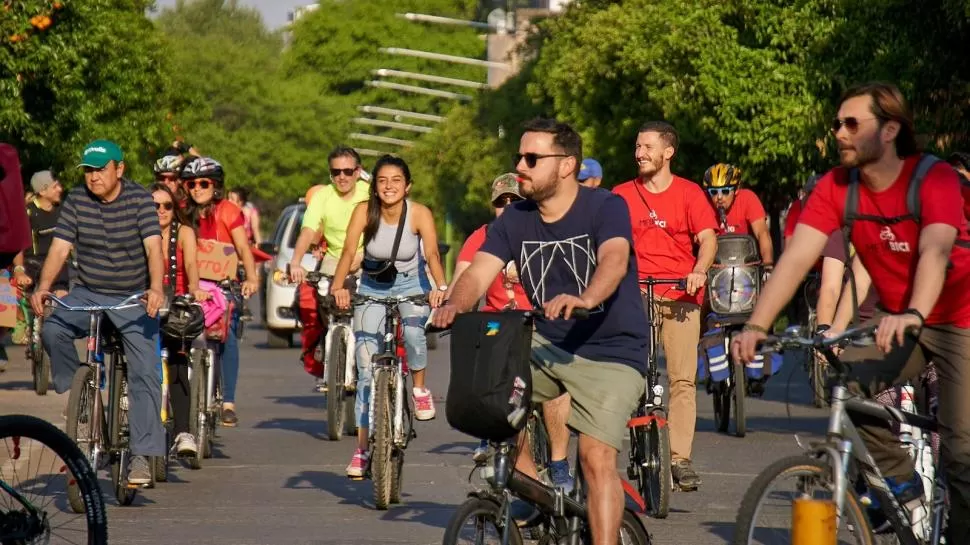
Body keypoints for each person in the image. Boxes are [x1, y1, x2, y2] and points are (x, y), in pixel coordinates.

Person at [733, 82, 970, 543]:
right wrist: (758, 324)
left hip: (958, 317)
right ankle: (905, 490)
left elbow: (936, 250)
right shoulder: (836, 186)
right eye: (837, 123)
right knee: (850, 388)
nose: (839, 132)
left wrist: (915, 312)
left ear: (889, 130)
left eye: (851, 123)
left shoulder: (933, 177)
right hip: (901, 317)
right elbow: (798, 258)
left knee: (961, 454)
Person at [432, 118, 649, 543]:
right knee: (493, 401)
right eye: (518, 157)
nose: (520, 166)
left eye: (531, 158)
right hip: (549, 342)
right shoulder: (516, 218)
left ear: (566, 165)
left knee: (595, 456)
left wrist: (587, 298)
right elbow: (479, 272)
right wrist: (455, 306)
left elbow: (614, 261)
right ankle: (538, 495)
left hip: (612, 350)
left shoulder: (605, 206)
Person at [30, 139, 166, 485]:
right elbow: (60, 248)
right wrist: (44, 287)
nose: (93, 177)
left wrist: (155, 288)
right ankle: (79, 394)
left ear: (119, 169)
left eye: (100, 169)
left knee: (145, 372)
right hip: (88, 293)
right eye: (88, 171)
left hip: (131, 297)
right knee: (52, 328)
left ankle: (141, 456)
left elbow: (154, 248)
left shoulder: (138, 200)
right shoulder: (76, 200)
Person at [611, 121, 718, 491]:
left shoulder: (689, 194)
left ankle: (680, 458)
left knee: (683, 380)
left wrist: (699, 271)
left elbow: (707, 240)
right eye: (637, 146)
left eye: (647, 147)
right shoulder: (622, 194)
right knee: (632, 373)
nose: (639, 153)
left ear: (667, 152)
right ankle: (634, 437)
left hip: (681, 294)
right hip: (637, 292)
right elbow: (607, 242)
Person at [329, 155, 447, 478]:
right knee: (366, 372)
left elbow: (433, 255)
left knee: (412, 333)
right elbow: (349, 251)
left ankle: (420, 390)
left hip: (412, 285)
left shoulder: (419, 214)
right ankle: (363, 450)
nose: (389, 186)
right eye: (382, 181)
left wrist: (441, 287)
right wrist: (338, 287)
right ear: (374, 187)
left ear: (407, 186)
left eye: (396, 180)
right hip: (372, 286)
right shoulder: (364, 212)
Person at [447, 173, 533, 464]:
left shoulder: (540, 232)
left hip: (536, 320)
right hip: (499, 322)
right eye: (501, 202)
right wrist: (449, 305)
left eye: (515, 201)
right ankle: (487, 432)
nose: (507, 207)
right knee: (484, 368)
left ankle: (558, 463)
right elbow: (463, 278)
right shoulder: (482, 236)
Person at [181, 156, 258, 427]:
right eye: (191, 184)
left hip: (223, 284)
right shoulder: (182, 212)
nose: (197, 188)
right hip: (190, 284)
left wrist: (251, 277)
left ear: (216, 186)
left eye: (204, 183)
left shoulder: (228, 211)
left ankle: (227, 401)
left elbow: (242, 248)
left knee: (227, 336)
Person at [289, 146, 370, 392]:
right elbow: (308, 230)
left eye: (348, 171)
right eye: (336, 172)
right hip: (335, 258)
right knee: (321, 296)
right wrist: (296, 261)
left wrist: (364, 256)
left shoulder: (371, 193)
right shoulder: (323, 196)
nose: (342, 177)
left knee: (367, 308)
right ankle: (330, 340)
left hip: (369, 256)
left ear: (358, 172)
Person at [152, 182, 207, 456]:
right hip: (144, 302)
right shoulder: (138, 231)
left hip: (175, 303)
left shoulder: (184, 232)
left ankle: (184, 432)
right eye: (155, 206)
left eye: (167, 206)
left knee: (177, 360)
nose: (161, 211)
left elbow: (191, 266)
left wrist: (195, 288)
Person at [701, 163, 773, 267]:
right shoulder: (703, 202)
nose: (719, 197)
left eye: (725, 191)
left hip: (746, 266)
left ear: (736, 190)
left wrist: (768, 265)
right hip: (715, 267)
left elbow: (762, 233)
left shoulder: (748, 198)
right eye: (714, 192)